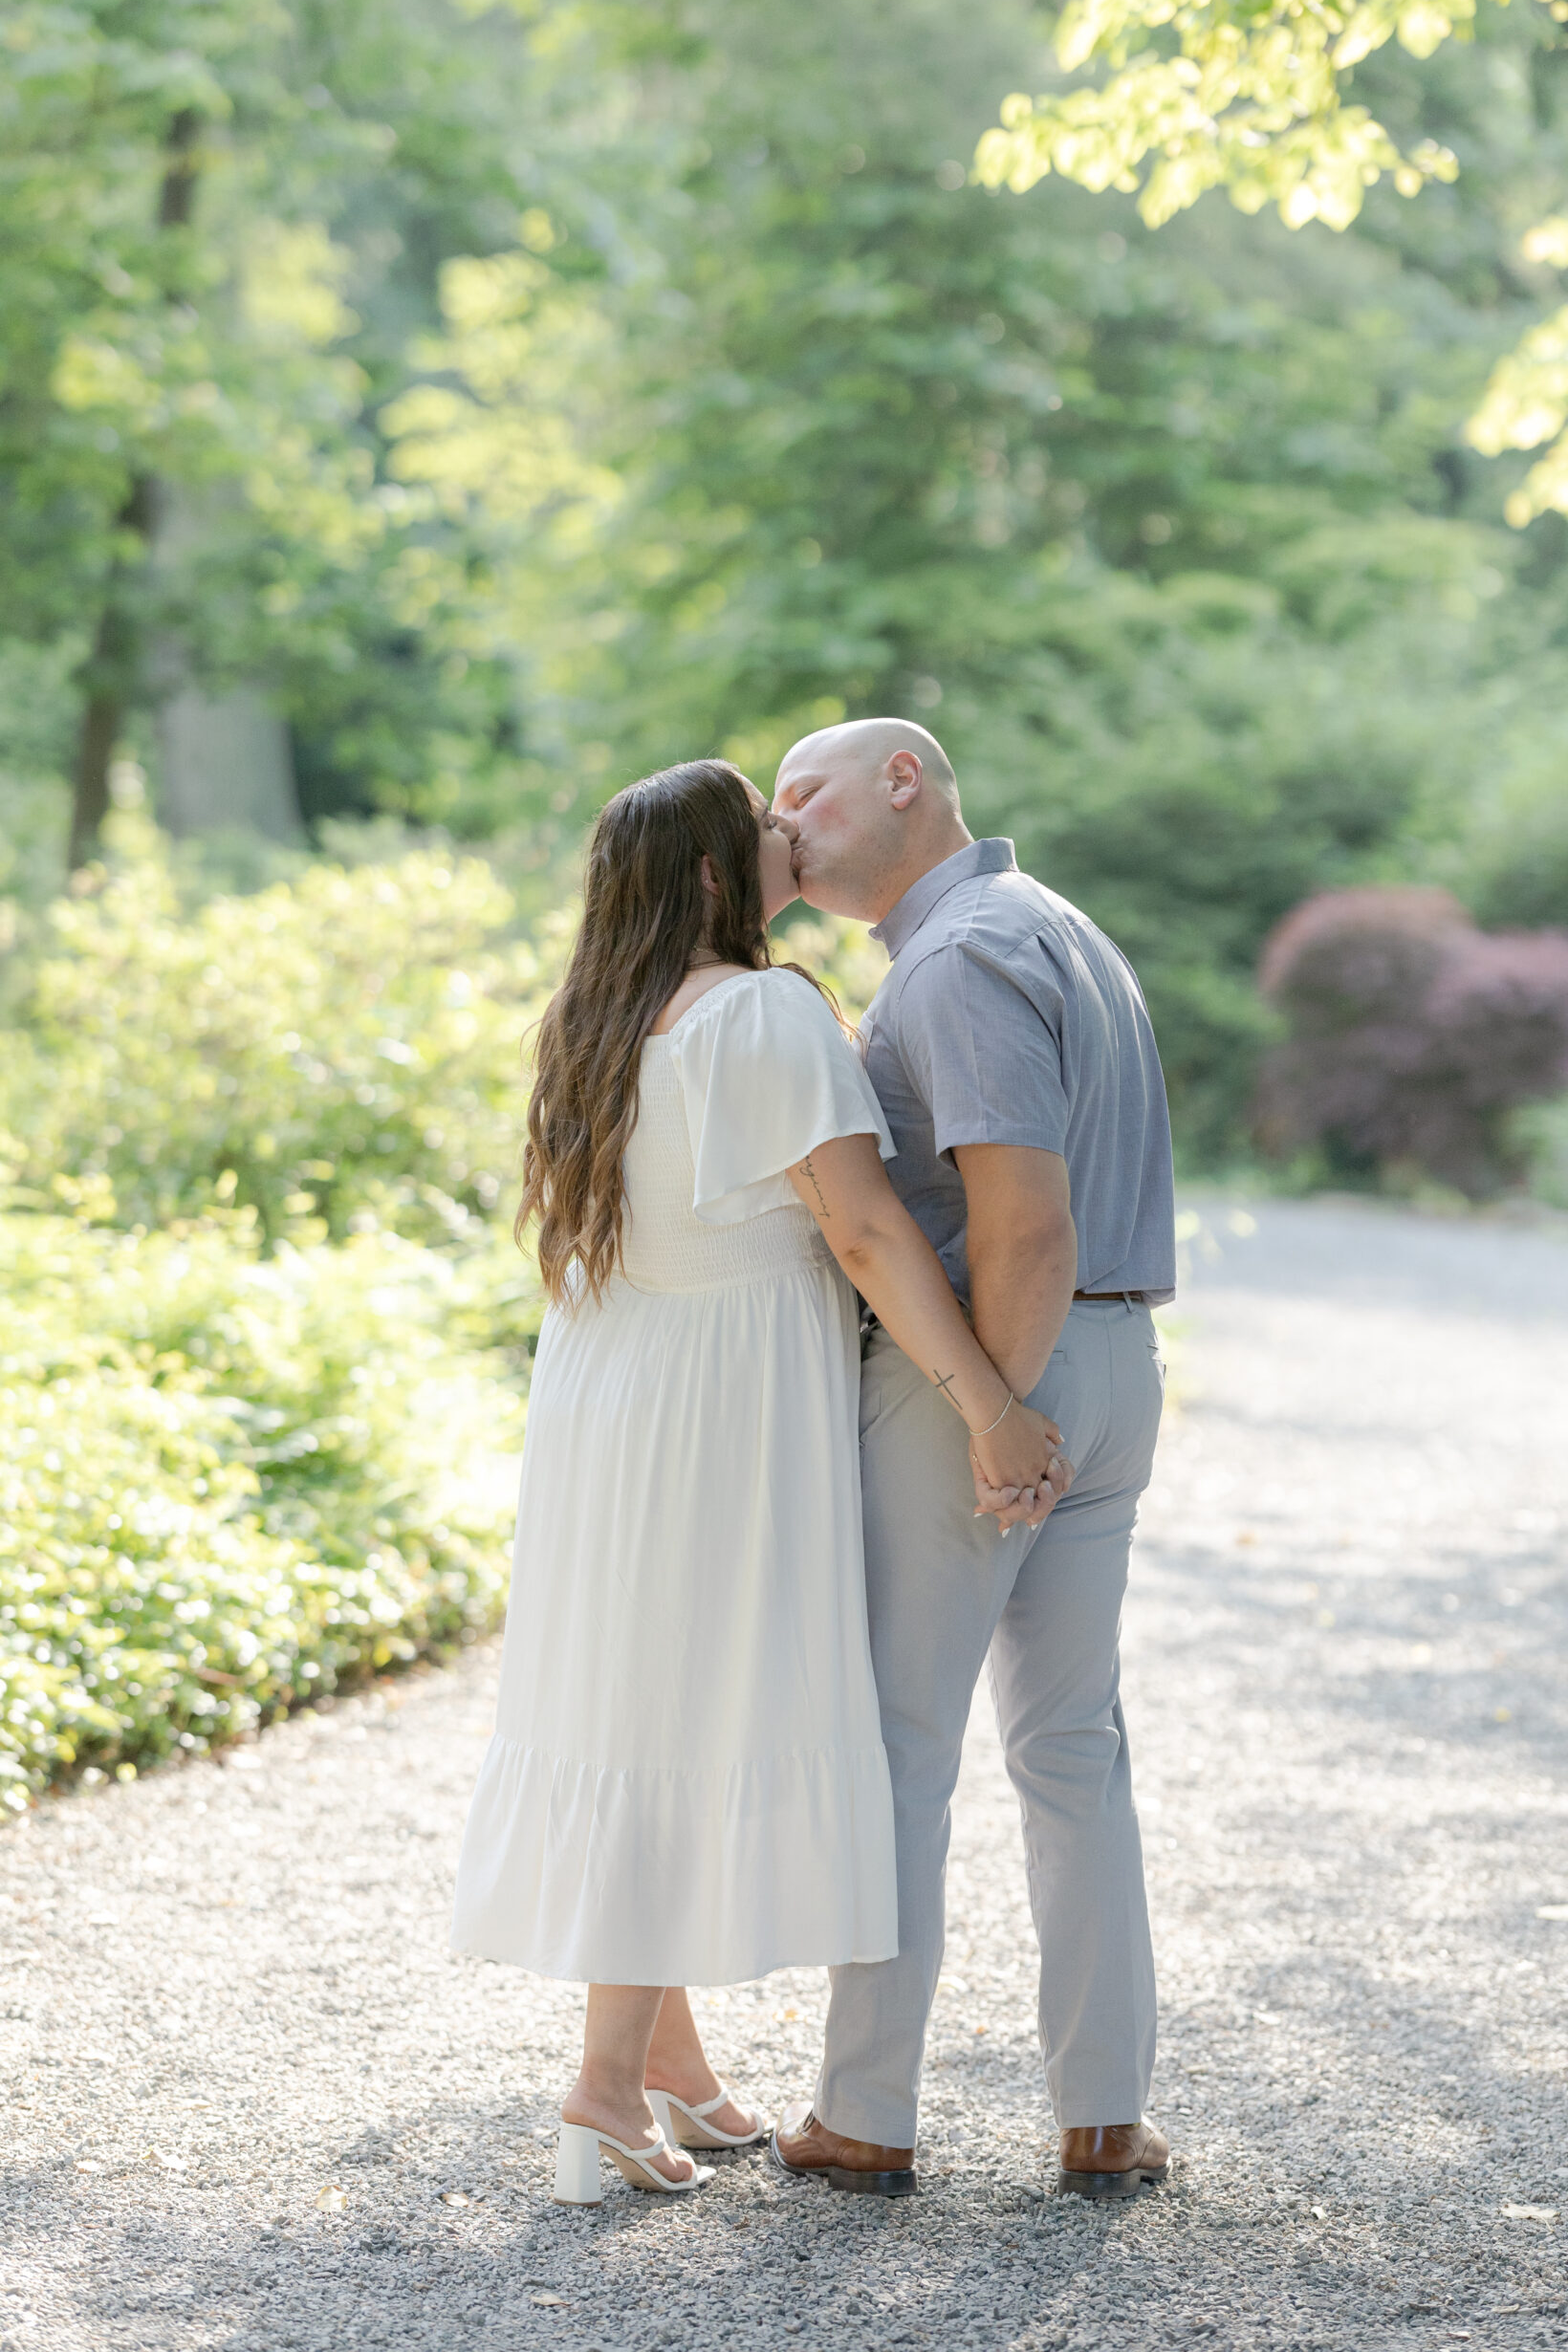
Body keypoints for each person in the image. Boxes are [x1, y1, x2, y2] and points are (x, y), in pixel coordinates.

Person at [449, 758, 1069, 2207]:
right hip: (716, 1402)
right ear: (727, 876)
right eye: (770, 827)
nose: (796, 835)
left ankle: (674, 2064)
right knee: (677, 1710)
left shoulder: (593, 1020)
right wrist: (987, 1400)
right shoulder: (768, 1011)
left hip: (613, 1385)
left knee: (630, 1693)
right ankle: (601, 2094)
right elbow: (861, 1229)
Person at [769, 717, 1177, 2200]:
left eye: (800, 789)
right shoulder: (1054, 923)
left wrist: (994, 1413)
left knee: (902, 1745)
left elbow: (1022, 1221)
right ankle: (1103, 2112)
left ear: (906, 781)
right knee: (1074, 1748)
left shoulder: (951, 959)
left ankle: (867, 2114)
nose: (781, 819)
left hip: (1007, 1372)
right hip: (1118, 1360)